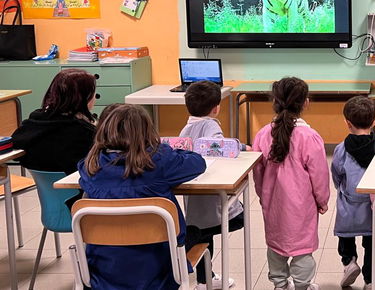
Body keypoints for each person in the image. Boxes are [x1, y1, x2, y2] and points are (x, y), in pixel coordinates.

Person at [78, 104, 207, 289]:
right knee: (195, 232)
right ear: (147, 131)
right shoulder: (159, 161)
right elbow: (197, 162)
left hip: (103, 268)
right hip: (159, 268)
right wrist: (163, 148)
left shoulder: (90, 166)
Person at [252, 77, 329, 290]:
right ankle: (303, 285)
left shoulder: (263, 134)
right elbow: (320, 174)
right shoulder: (309, 136)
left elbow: (257, 172)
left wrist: (263, 195)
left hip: (273, 203)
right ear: (305, 103)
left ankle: (280, 284)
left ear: (274, 102)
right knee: (302, 248)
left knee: (275, 245)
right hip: (301, 206)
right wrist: (322, 200)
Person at [179, 80, 242, 289]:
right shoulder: (211, 124)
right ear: (216, 108)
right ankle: (204, 278)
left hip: (193, 194)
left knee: (202, 232)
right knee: (216, 227)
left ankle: (205, 277)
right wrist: (239, 146)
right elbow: (216, 146)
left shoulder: (185, 129)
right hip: (209, 192)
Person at [332, 96, 375, 290]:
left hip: (349, 204)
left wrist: (341, 190)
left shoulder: (341, 149)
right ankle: (370, 280)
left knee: (346, 235)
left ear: (347, 123)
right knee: (372, 244)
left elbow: (336, 175)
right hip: (374, 206)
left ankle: (349, 261)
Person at [12, 68, 97, 175]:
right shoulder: (84, 132)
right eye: (93, 93)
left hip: (46, 190)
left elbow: (15, 148)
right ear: (83, 97)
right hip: (78, 188)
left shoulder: (33, 122)